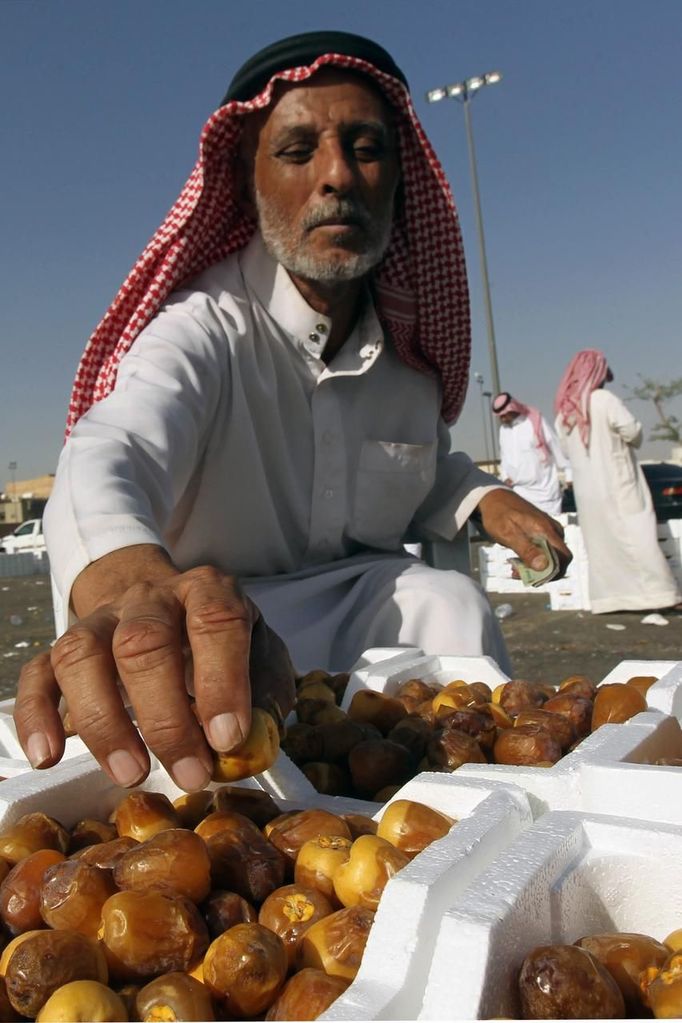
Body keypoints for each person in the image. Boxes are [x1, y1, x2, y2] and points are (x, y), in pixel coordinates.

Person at [15, 31, 570, 793]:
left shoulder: (407, 360)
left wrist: (477, 495)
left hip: (357, 603)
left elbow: (413, 465)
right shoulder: (203, 328)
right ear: (247, 183)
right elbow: (109, 449)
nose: (338, 175)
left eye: (366, 147)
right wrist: (125, 581)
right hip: (220, 624)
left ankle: (484, 815)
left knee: (447, 601)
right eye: (299, 150)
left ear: (400, 182)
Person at [554, 348, 680, 614]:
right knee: (639, 536)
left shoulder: (564, 413)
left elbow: (566, 450)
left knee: (603, 545)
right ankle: (659, 595)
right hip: (618, 482)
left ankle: (610, 600)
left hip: (589, 493)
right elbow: (633, 432)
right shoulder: (603, 400)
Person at [492, 391, 569, 516]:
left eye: (504, 415)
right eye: (500, 416)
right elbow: (504, 457)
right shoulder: (503, 431)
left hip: (545, 493)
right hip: (520, 493)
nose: (502, 419)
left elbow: (555, 447)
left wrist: (568, 472)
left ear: (512, 409)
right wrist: (505, 476)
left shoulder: (534, 422)